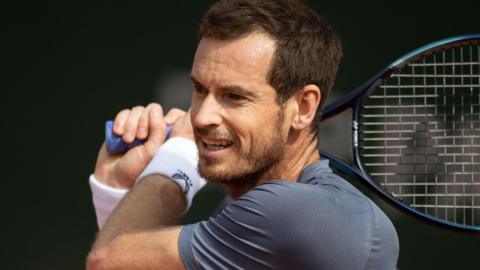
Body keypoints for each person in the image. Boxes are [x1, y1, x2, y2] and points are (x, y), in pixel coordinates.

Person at [87, 0, 400, 269]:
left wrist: (176, 158)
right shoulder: (249, 214)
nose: (202, 116)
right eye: (199, 89)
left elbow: (106, 261)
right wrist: (115, 185)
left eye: (234, 96)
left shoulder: (293, 214)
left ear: (303, 107)